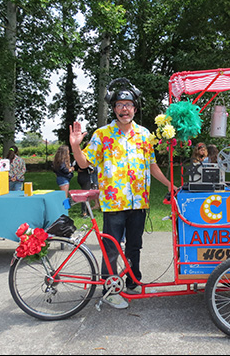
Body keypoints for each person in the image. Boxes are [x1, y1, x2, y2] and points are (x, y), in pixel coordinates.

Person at [69, 77, 176, 309]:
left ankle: (132, 281)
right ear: (114, 108)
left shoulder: (145, 135)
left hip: (139, 202)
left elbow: (152, 165)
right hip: (114, 202)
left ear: (135, 109)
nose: (124, 109)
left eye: (128, 105)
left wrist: (168, 184)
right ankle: (109, 290)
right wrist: (76, 146)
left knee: (135, 245)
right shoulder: (102, 134)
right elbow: (85, 163)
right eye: (119, 105)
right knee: (112, 246)